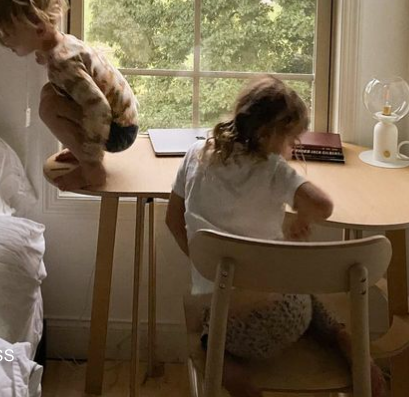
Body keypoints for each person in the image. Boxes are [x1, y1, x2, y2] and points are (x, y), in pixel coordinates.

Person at [165, 75, 385, 397]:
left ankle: (234, 377)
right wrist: (303, 216)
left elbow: (173, 220)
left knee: (207, 337)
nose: (292, 147)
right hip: (291, 318)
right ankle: (342, 337)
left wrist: (205, 261)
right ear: (269, 134)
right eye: (291, 139)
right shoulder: (274, 170)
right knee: (303, 290)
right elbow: (323, 206)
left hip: (227, 325)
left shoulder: (195, 155)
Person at [0, 0, 139, 191]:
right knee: (49, 92)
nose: (5, 42)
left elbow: (99, 108)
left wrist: (90, 153)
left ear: (39, 30)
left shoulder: (63, 64)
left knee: (48, 108)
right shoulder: (61, 44)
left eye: (9, 34)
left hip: (119, 130)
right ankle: (81, 151)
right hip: (121, 120)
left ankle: (93, 171)